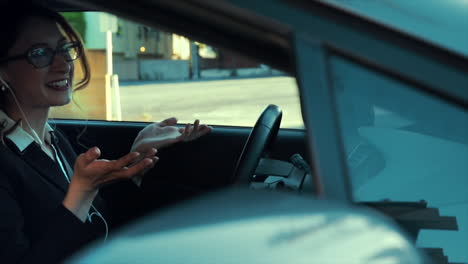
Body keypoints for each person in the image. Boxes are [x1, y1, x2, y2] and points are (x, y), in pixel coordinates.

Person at [0, 2, 212, 263]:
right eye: (40, 53)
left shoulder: (50, 138)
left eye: (65, 48)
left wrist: (137, 154)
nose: (63, 64)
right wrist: (81, 193)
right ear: (3, 70)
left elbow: (101, 220)